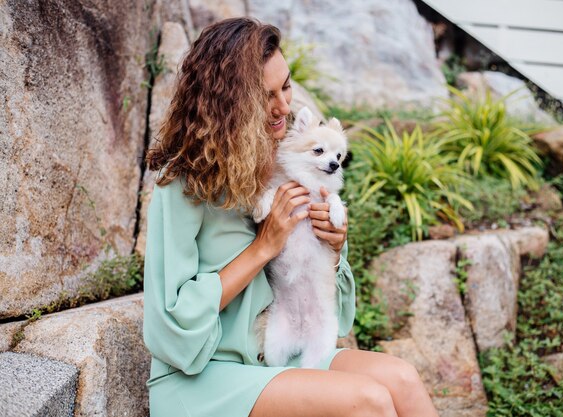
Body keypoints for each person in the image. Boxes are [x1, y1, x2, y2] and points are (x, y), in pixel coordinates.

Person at [142, 17, 439, 417]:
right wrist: (264, 246)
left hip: (279, 349)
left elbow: (318, 286)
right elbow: (170, 316)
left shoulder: (290, 158)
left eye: (286, 86)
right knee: (367, 403)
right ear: (231, 103)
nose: (284, 106)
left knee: (401, 379)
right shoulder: (183, 182)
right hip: (207, 373)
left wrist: (333, 247)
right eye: (267, 96)